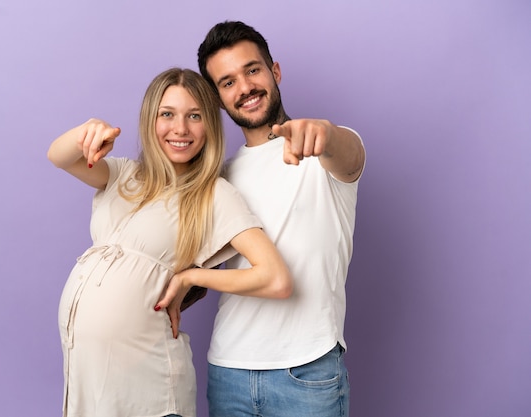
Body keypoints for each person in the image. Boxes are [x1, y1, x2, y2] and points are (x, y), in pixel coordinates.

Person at [47, 67, 292, 417]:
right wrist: (89, 129)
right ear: (151, 120)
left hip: (151, 388)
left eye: (195, 116)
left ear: (209, 125)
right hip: (91, 382)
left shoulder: (213, 195)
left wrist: (191, 278)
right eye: (167, 114)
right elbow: (59, 156)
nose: (180, 129)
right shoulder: (122, 175)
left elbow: (275, 277)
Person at [196, 21, 366, 417]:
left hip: (307, 371)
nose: (245, 88)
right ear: (219, 99)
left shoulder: (323, 150)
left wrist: (323, 132)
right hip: (228, 370)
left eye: (252, 70)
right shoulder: (219, 177)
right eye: (227, 82)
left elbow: (350, 154)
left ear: (275, 71)